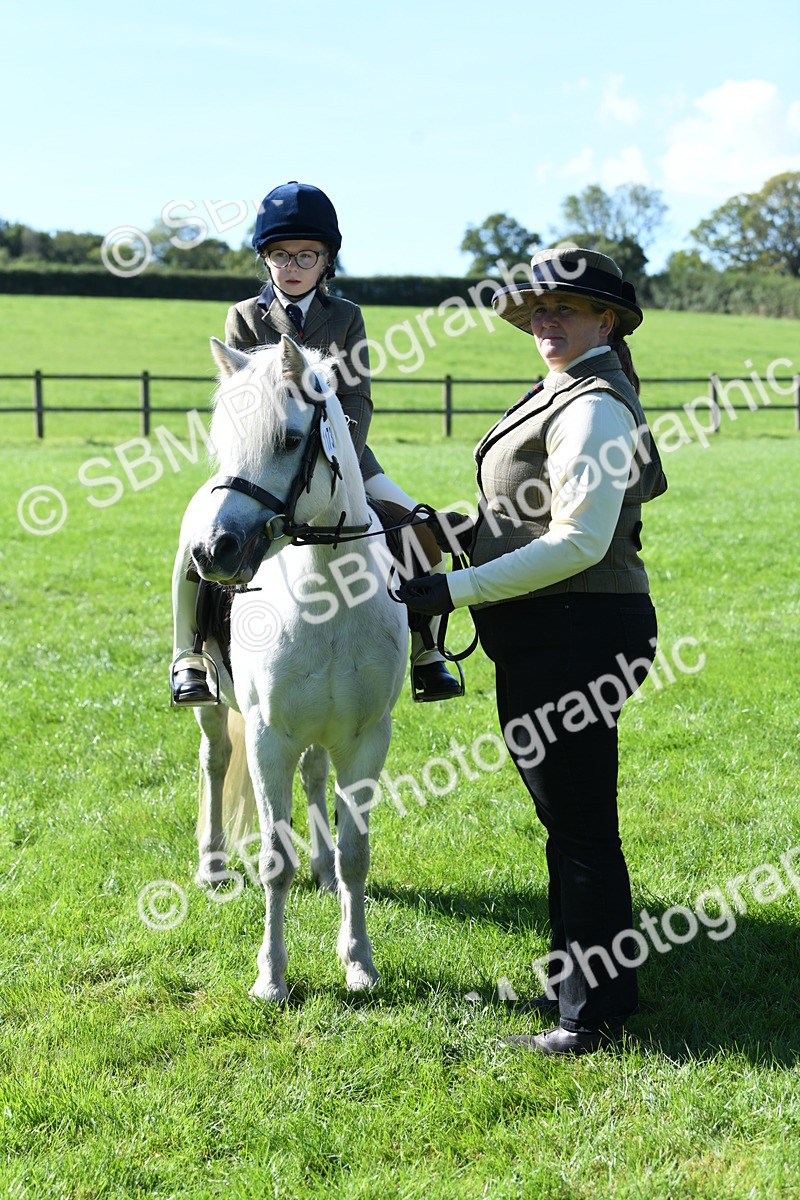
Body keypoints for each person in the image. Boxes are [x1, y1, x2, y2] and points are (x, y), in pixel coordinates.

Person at [398, 246, 668, 1055]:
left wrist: (455, 589)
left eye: (567, 310)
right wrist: (461, 528)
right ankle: (595, 988)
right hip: (555, 631)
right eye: (538, 312)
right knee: (573, 822)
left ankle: (590, 1020)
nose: (547, 322)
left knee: (580, 827)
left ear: (605, 321)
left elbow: (581, 540)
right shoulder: (563, 390)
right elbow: (532, 505)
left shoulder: (595, 406)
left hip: (578, 632)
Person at [170, 181, 461, 705]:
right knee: (194, 540)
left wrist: (338, 454)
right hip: (261, 459)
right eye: (281, 255)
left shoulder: (347, 316)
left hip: (344, 455)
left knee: (419, 534)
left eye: (308, 255)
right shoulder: (244, 316)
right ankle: (189, 652)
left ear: (327, 260)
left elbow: (357, 397)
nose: (293, 265)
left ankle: (426, 651)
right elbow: (241, 397)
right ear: (265, 259)